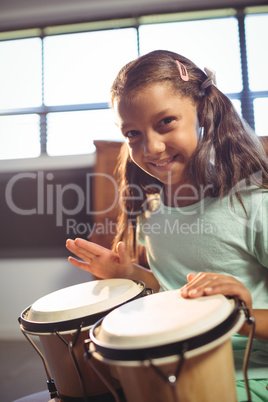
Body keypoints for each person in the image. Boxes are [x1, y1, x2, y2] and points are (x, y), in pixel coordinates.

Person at [66, 50, 268, 401]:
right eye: (133, 133)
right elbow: (174, 290)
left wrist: (245, 311)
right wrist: (132, 273)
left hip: (247, 378)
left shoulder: (253, 204)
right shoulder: (152, 211)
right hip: (168, 367)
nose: (152, 147)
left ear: (201, 113)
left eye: (165, 123)